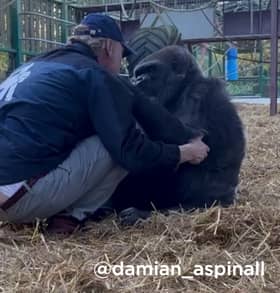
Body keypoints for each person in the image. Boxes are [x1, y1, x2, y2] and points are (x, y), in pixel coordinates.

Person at [0, 13, 209, 233]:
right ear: (110, 46)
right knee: (122, 138)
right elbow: (131, 153)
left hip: (9, 187)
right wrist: (185, 152)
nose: (122, 61)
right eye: (122, 53)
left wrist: (186, 134)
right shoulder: (95, 75)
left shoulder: (34, 67)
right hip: (17, 200)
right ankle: (68, 219)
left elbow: (142, 106)